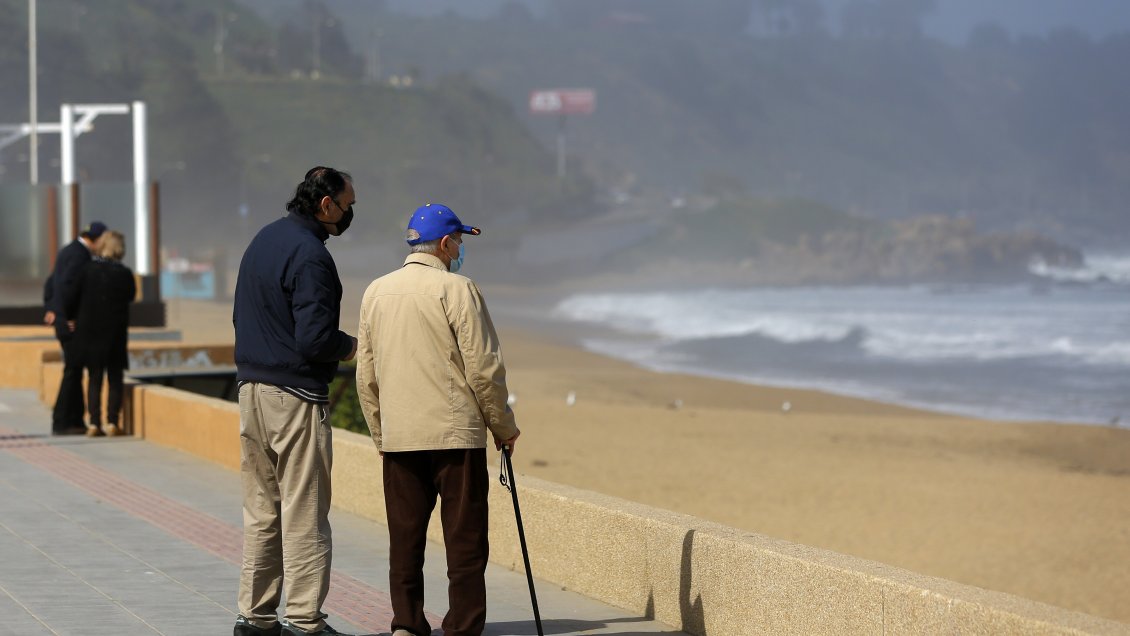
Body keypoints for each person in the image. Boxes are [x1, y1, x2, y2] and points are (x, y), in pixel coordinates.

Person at [355, 203, 520, 636]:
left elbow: (365, 376)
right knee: (464, 541)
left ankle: (406, 623)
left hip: (400, 436)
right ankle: (462, 627)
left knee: (404, 540)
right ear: (446, 244)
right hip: (455, 437)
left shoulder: (375, 291)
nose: (461, 250)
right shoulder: (459, 289)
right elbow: (483, 369)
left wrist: (381, 434)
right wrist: (503, 427)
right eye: (460, 242)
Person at [232, 167, 358, 636]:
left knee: (262, 510)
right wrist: (352, 347)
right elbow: (315, 339)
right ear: (326, 205)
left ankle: (255, 617)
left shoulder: (264, 240)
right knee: (304, 512)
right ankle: (305, 621)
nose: (350, 215)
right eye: (348, 206)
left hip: (250, 392)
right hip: (295, 397)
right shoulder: (311, 257)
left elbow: (240, 315)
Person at [44, 221, 107, 435]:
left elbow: (51, 283)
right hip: (70, 325)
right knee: (72, 371)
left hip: (63, 320)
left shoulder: (69, 250)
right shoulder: (80, 256)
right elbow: (69, 287)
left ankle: (74, 420)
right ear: (96, 239)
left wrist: (51, 308)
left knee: (74, 369)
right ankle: (62, 421)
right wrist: (69, 317)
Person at [72, 230, 136, 437]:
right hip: (115, 333)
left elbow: (73, 296)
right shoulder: (124, 273)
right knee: (115, 377)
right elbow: (131, 296)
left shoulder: (87, 270)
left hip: (90, 333)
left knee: (94, 377)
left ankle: (93, 423)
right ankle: (112, 422)